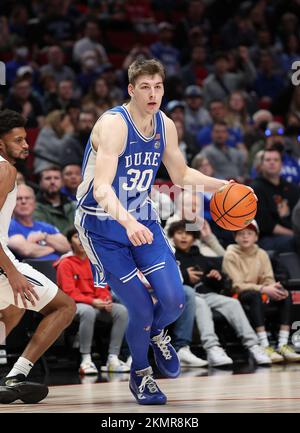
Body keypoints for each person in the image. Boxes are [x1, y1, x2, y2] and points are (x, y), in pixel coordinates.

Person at [75, 58, 233, 406]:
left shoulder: (165, 124)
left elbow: (181, 176)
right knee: (142, 310)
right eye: (145, 87)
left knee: (175, 300)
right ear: (131, 89)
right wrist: (127, 223)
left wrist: (221, 186)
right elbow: (102, 188)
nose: (152, 93)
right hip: (101, 224)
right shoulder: (114, 124)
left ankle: (158, 334)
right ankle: (141, 375)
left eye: (158, 86)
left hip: (141, 216)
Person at [0, 109, 76, 404]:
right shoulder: (6, 169)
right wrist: (14, 272)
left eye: (26, 138)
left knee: (13, 309)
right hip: (3, 262)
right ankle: (17, 373)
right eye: (17, 139)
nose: (26, 145)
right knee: (64, 307)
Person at [168, 220, 271, 367]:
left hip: (207, 294)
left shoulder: (201, 257)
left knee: (232, 303)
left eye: (188, 234)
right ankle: (212, 348)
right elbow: (166, 281)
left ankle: (253, 346)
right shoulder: (170, 256)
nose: (184, 237)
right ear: (172, 236)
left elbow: (219, 284)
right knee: (201, 304)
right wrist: (185, 276)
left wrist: (216, 277)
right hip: (186, 297)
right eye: (179, 233)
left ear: (194, 237)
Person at [223, 220, 300, 363]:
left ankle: (282, 344)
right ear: (235, 237)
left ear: (256, 237)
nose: (245, 237)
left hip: (261, 292)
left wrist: (274, 288)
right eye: (241, 234)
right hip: (239, 295)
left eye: (249, 233)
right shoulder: (230, 254)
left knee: (284, 295)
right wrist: (264, 288)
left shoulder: (262, 254)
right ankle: (264, 345)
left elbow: (268, 278)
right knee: (255, 296)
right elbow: (237, 285)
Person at [56, 228, 129, 375]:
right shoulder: (65, 263)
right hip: (73, 306)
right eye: (77, 237)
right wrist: (92, 301)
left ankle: (113, 359)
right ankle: (86, 360)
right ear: (71, 242)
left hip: (95, 304)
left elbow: (102, 287)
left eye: (84, 236)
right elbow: (69, 293)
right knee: (88, 311)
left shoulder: (95, 262)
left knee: (121, 311)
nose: (81, 240)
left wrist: (105, 300)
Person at [8, 184, 70, 261]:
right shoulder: (9, 226)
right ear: (11, 203)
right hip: (31, 270)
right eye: (18, 199)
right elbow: (26, 250)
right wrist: (54, 247)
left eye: (27, 198)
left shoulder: (46, 227)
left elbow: (68, 247)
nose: (23, 201)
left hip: (58, 267)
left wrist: (44, 237)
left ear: (34, 202)